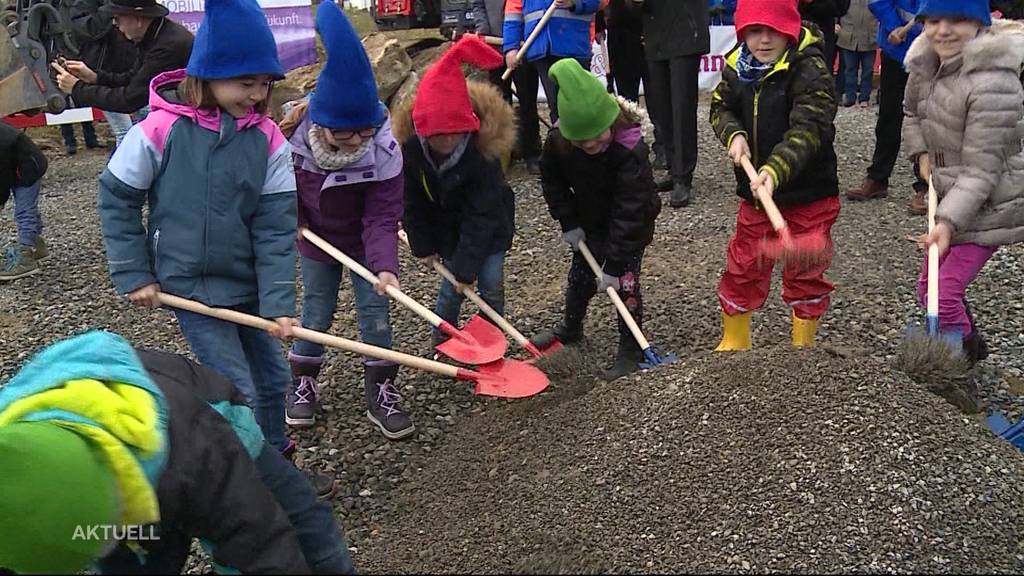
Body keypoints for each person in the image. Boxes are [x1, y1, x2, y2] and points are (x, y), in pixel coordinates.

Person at [97, 0, 298, 460]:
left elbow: (275, 225)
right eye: (246, 82)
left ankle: (276, 462)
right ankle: (245, 475)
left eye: (265, 83)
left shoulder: (268, 139)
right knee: (234, 386)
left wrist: (278, 302)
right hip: (191, 287)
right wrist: (135, 273)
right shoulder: (158, 129)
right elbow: (117, 196)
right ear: (207, 75)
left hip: (247, 283)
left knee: (273, 379)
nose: (257, 93)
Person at [0, 331, 354, 574]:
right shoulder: (12, 453)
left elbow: (258, 545)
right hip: (115, 500)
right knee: (141, 557)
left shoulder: (196, 449)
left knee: (309, 525)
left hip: (215, 429)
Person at [279, 2, 411, 440]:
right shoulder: (293, 145)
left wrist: (384, 266)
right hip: (315, 238)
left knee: (376, 312)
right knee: (316, 310)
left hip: (361, 240)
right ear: (323, 122)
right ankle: (302, 383)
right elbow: (280, 195)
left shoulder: (384, 149)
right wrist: (293, 220)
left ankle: (382, 390)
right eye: (345, 133)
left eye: (365, 130)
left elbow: (382, 214)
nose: (357, 140)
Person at [709, 0, 841, 351]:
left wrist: (774, 169)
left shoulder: (810, 70)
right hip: (755, 194)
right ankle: (735, 339)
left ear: (790, 29)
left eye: (773, 30)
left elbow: (808, 129)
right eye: (754, 31)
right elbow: (719, 107)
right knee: (744, 262)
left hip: (809, 193)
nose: (763, 40)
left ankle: (803, 346)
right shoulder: (737, 67)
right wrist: (733, 134)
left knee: (805, 271)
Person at [904, 1, 1024, 364]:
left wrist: (946, 222)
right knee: (929, 288)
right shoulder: (924, 65)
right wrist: (921, 154)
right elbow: (911, 113)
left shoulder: (994, 84)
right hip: (950, 196)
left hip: (991, 206)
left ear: (979, 24)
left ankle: (954, 366)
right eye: (934, 20)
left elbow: (983, 170)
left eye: (956, 20)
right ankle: (969, 343)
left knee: (944, 293)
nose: (942, 30)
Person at [530, 59, 661, 380]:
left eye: (596, 136)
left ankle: (631, 346)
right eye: (581, 140)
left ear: (610, 119)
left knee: (625, 284)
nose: (590, 145)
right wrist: (568, 222)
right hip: (587, 221)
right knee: (581, 278)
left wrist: (614, 265)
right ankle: (572, 326)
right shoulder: (559, 142)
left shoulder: (629, 149)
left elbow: (629, 209)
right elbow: (554, 184)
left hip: (632, 223)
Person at [394, 36, 516, 353]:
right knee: (451, 289)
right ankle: (444, 335)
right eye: (438, 135)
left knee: (490, 285)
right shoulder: (412, 152)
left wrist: (467, 268)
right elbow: (412, 201)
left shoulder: (483, 155)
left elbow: (483, 213)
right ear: (422, 130)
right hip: (447, 228)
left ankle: (492, 340)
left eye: (454, 133)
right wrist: (423, 245)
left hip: (489, 230)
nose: (446, 140)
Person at [845, 0, 929, 215]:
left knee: (927, 118)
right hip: (897, 50)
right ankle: (878, 177)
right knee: (888, 116)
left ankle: (926, 184)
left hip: (930, 49)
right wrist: (893, 26)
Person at [628, 0, 710, 208]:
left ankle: (683, 175)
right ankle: (674, 170)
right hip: (656, 37)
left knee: (682, 108)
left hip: (685, 32)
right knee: (662, 108)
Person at [51, 0, 193, 116]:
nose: (114, 24)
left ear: (138, 19)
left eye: (117, 18)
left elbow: (129, 100)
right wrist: (95, 78)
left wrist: (77, 88)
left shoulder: (166, 46)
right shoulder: (157, 35)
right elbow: (133, 78)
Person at [503, 0, 602, 125]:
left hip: (574, 46)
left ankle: (584, 141)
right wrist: (511, 47)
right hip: (542, 48)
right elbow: (513, 12)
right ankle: (562, 141)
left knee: (581, 105)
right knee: (556, 107)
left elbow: (598, 2)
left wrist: (574, 3)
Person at [69, 0, 141, 147]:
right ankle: (115, 170)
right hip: (102, 75)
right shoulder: (83, 4)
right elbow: (87, 30)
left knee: (146, 124)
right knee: (124, 131)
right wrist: (111, 8)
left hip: (133, 72)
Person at [0, 122, 48, 282]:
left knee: (24, 210)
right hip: (15, 164)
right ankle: (37, 245)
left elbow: (2, 177)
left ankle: (26, 256)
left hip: (28, 167)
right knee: (27, 209)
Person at [837, 0, 878, 107]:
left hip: (870, 37)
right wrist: (836, 23)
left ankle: (864, 98)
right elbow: (838, 9)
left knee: (868, 71)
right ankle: (850, 97)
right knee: (850, 70)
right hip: (849, 36)